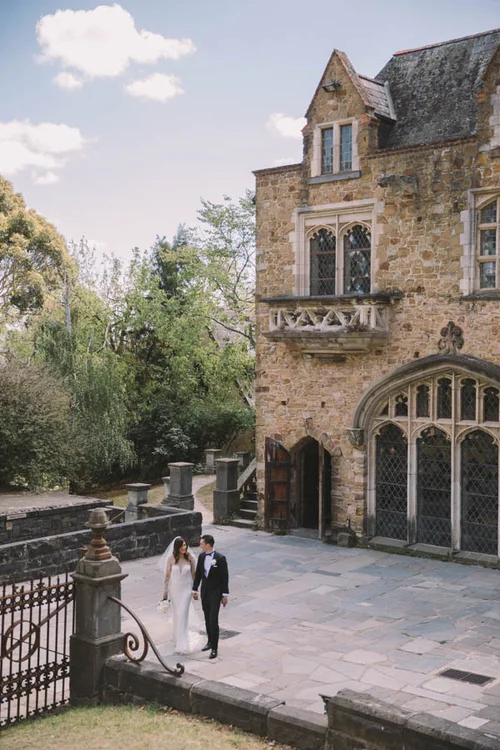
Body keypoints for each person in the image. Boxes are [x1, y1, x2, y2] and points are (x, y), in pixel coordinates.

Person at [161, 536, 203, 654]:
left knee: (183, 613)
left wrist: (195, 590)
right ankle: (177, 636)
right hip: (174, 590)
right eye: (181, 546)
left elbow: (194, 575)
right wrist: (165, 591)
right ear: (177, 547)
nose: (184, 548)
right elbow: (167, 575)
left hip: (186, 590)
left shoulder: (190, 558)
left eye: (185, 545)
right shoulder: (171, 558)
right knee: (177, 614)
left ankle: (183, 643)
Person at [192, 533, 229, 659]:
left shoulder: (220, 558)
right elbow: (198, 574)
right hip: (205, 592)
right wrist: (194, 589)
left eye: (201, 543)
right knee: (207, 617)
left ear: (208, 545)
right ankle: (209, 641)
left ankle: (214, 648)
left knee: (213, 619)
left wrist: (224, 595)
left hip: (216, 593)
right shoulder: (202, 556)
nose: (200, 545)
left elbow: (225, 578)